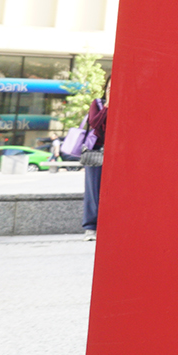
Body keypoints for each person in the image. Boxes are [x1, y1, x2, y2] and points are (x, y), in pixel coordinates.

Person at [80, 79, 110, 241]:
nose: (112, 90)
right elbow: (95, 124)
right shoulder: (98, 104)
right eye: (110, 87)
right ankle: (90, 227)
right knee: (93, 189)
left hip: (117, 153)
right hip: (96, 151)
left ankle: (108, 225)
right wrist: (107, 107)